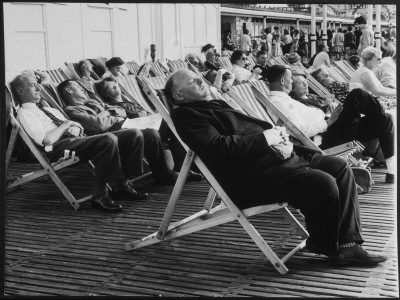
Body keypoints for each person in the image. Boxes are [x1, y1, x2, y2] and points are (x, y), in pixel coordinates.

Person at [164, 69, 388, 267]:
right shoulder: (186, 116)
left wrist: (277, 137)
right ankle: (323, 243)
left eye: (198, 78)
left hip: (280, 160)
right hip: (255, 177)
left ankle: (348, 243)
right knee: (323, 183)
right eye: (193, 81)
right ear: (179, 96)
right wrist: (266, 138)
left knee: (338, 166)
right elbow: (218, 148)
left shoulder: (212, 104)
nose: (201, 81)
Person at [11, 74, 150, 213]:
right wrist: (66, 125)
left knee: (133, 134)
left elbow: (76, 125)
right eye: (32, 85)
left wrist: (74, 127)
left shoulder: (48, 110)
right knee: (108, 139)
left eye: (37, 83)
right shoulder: (25, 114)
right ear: (21, 91)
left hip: (76, 140)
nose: (38, 87)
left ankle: (122, 184)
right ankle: (100, 195)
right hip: (56, 149)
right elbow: (46, 141)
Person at [266, 65, 395, 183]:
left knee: (386, 118)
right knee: (357, 95)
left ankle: (392, 172)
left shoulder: (285, 99)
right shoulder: (279, 103)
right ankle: (379, 118)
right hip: (325, 138)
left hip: (331, 129)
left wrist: (328, 112)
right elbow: (301, 130)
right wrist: (329, 121)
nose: (293, 82)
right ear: (283, 81)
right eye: (291, 79)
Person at [57, 79, 180, 186]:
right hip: (113, 135)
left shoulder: (92, 102)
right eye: (78, 87)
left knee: (168, 122)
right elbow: (98, 125)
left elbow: (120, 109)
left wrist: (107, 114)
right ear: (69, 90)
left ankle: (171, 171)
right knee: (153, 133)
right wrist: (110, 113)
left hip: (126, 125)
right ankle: (164, 173)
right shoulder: (72, 111)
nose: (83, 89)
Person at [95, 77, 204, 182]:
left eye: (115, 84)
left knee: (175, 123)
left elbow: (144, 113)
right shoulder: (112, 107)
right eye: (109, 86)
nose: (114, 86)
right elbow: (124, 119)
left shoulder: (130, 103)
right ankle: (177, 170)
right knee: (172, 123)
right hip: (138, 131)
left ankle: (182, 168)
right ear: (106, 94)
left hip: (148, 124)